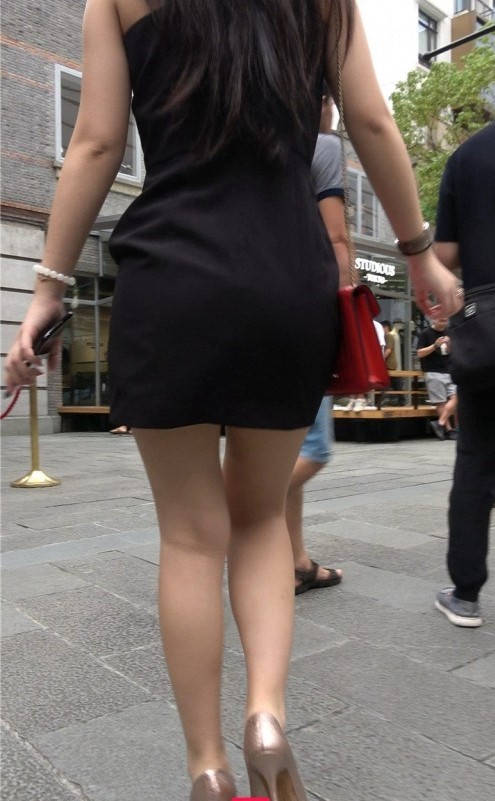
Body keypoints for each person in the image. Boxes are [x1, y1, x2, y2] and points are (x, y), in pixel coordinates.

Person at [4, 1, 461, 798]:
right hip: (286, 279)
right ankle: (266, 717)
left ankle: (207, 766)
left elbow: (97, 144)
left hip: (169, 274)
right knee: (258, 519)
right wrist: (419, 254)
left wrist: (48, 287)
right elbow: (370, 122)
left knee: (189, 538)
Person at [433, 122, 495, 628]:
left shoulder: (469, 155)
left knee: (476, 459)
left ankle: (466, 594)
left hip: (489, 327)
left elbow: (446, 255)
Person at [289, 94, 346, 595]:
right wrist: (346, 308)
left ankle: (297, 562)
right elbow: (337, 237)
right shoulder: (321, 143)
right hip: (300, 307)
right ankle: (238, 507)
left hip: (235, 300)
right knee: (316, 448)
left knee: (284, 445)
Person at [417, 318, 457, 440]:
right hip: (433, 371)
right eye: (441, 320)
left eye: (445, 321)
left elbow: (452, 352)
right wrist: (435, 345)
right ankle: (448, 430)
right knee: (441, 402)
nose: (444, 322)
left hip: (449, 370)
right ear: (434, 320)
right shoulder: (425, 333)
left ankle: (440, 423)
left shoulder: (449, 332)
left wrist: (450, 345)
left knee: (457, 397)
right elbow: (419, 353)